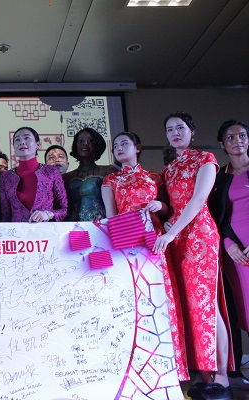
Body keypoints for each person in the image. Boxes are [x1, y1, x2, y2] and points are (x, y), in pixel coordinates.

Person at [153, 112, 232, 400]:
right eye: (169, 129)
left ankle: (222, 377)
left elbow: (198, 201)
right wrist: (167, 219)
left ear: (192, 131)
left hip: (200, 235)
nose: (175, 133)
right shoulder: (170, 168)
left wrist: (172, 231)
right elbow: (172, 206)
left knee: (208, 304)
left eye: (180, 127)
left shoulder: (205, 159)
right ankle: (203, 375)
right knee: (189, 307)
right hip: (177, 237)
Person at [101, 131, 188, 381]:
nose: (119, 148)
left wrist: (160, 206)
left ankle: (171, 370)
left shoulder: (155, 177)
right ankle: (136, 369)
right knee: (135, 300)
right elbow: (111, 215)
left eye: (125, 144)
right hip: (128, 241)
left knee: (162, 297)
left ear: (137, 148)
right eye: (116, 146)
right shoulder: (110, 179)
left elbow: (169, 209)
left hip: (155, 240)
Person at [209, 120, 249, 391]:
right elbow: (216, 216)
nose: (237, 141)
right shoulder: (220, 176)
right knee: (236, 310)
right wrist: (227, 243)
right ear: (222, 144)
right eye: (231, 137)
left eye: (242, 135)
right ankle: (234, 374)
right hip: (234, 254)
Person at [0, 127, 67, 223]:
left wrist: (48, 214)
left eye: (27, 138)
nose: (22, 142)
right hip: (17, 231)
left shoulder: (51, 172)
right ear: (14, 147)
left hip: (45, 230)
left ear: (38, 145)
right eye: (17, 140)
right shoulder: (6, 177)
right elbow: (5, 215)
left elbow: (64, 209)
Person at [62, 127, 117, 221]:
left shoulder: (109, 172)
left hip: (102, 226)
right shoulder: (66, 177)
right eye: (81, 141)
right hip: (73, 227)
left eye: (90, 141)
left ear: (97, 146)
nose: (85, 143)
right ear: (75, 145)